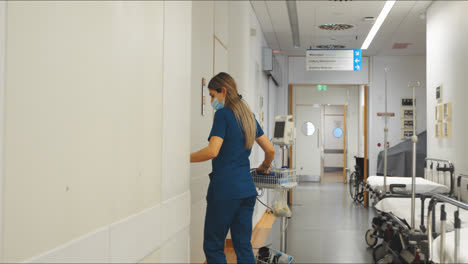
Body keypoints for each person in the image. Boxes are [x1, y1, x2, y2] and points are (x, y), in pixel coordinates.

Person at [190, 72, 275, 264]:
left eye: (212, 95)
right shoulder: (248, 116)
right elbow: (270, 149)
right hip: (247, 191)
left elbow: (213, 151)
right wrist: (264, 167)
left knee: (213, 245)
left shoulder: (223, 114)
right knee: (243, 246)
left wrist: (184, 158)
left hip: (224, 191)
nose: (211, 100)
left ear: (224, 91)